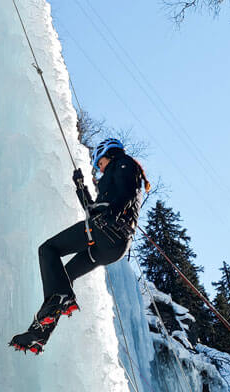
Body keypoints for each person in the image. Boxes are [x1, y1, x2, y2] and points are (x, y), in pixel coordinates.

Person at [10, 138, 150, 354]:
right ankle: (40, 334)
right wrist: (80, 187)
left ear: (109, 154)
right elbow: (93, 209)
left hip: (108, 230)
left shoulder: (124, 163)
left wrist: (111, 215)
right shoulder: (114, 176)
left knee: (48, 249)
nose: (99, 169)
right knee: (64, 276)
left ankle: (61, 299)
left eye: (99, 163)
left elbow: (128, 193)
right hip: (110, 246)